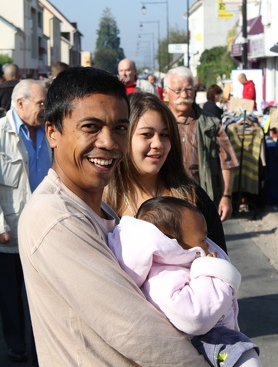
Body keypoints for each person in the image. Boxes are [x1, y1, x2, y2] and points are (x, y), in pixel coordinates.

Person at [18, 67, 211, 367]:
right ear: (53, 132)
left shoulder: (98, 209)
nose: (108, 142)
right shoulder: (56, 217)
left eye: (120, 128)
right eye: (91, 127)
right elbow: (135, 329)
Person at [108, 196, 261, 367]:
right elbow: (195, 317)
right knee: (245, 357)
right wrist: (212, 273)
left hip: (205, 339)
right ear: (174, 242)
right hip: (205, 342)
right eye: (203, 239)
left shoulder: (173, 264)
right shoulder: (162, 275)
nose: (208, 246)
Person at [104, 91, 228, 252]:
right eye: (147, 134)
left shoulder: (193, 198)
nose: (158, 144)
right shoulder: (102, 203)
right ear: (123, 137)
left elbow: (222, 262)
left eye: (165, 134)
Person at [0, 79, 51, 362]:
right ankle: (16, 349)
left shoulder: (49, 132)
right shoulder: (1, 134)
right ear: (21, 104)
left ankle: (38, 347)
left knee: (39, 294)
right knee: (10, 296)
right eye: (41, 103)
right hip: (11, 231)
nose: (45, 108)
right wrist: (0, 227)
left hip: (43, 230)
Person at [163, 67, 239, 222]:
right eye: (178, 90)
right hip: (165, 202)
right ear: (165, 93)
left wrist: (226, 196)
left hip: (202, 201)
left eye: (188, 90)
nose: (184, 95)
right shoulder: (157, 122)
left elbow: (227, 162)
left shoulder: (211, 123)